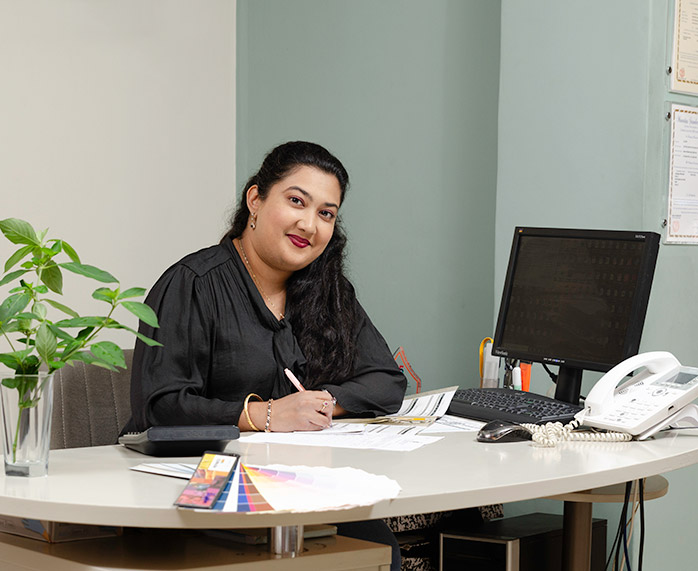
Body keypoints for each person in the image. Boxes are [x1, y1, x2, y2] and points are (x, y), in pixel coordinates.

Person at [124, 141, 407, 570]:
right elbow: (159, 406)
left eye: (326, 213)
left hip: (299, 480)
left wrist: (320, 405)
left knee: (379, 549)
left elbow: (386, 380)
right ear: (255, 199)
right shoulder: (194, 283)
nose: (309, 224)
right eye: (296, 201)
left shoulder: (329, 290)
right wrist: (267, 414)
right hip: (199, 482)